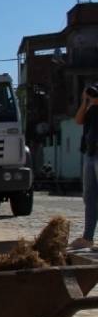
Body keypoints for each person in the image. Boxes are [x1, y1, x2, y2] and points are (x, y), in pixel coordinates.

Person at [70, 83, 98, 250]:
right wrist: (85, 102)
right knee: (89, 197)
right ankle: (88, 238)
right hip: (90, 154)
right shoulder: (91, 109)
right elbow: (78, 120)